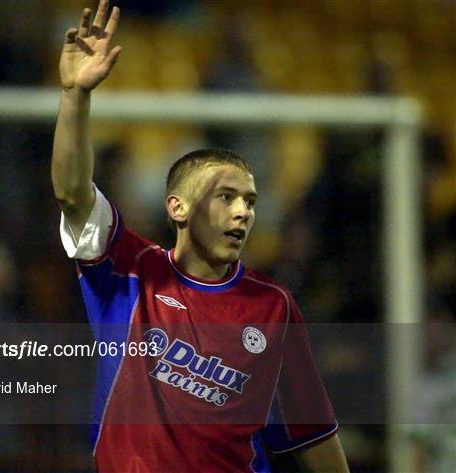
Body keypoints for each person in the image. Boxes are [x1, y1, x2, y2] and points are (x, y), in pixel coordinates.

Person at [52, 2, 349, 471]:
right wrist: (74, 97)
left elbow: (311, 434)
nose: (242, 212)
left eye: (248, 201)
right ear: (178, 207)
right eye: (224, 197)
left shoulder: (273, 306)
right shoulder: (128, 269)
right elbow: (71, 193)